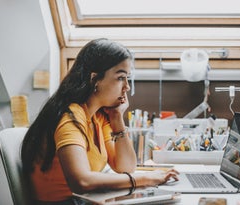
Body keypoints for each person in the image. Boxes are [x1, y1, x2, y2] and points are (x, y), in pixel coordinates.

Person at [21, 38, 179, 204]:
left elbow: (125, 168)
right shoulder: (70, 117)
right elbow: (82, 182)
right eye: (120, 78)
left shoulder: (98, 115)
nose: (127, 87)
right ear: (95, 79)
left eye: (127, 78)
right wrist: (147, 178)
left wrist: (117, 117)